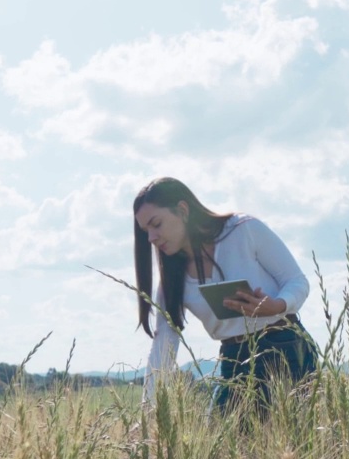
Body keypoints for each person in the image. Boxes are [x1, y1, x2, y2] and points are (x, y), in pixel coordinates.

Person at [133, 177, 317, 418]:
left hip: (285, 346)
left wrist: (276, 305)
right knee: (222, 450)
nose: (151, 238)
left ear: (183, 210)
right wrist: (147, 413)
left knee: (291, 443)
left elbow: (297, 281)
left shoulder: (244, 230)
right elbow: (163, 345)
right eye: (146, 231)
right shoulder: (171, 280)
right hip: (232, 358)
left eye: (156, 224)